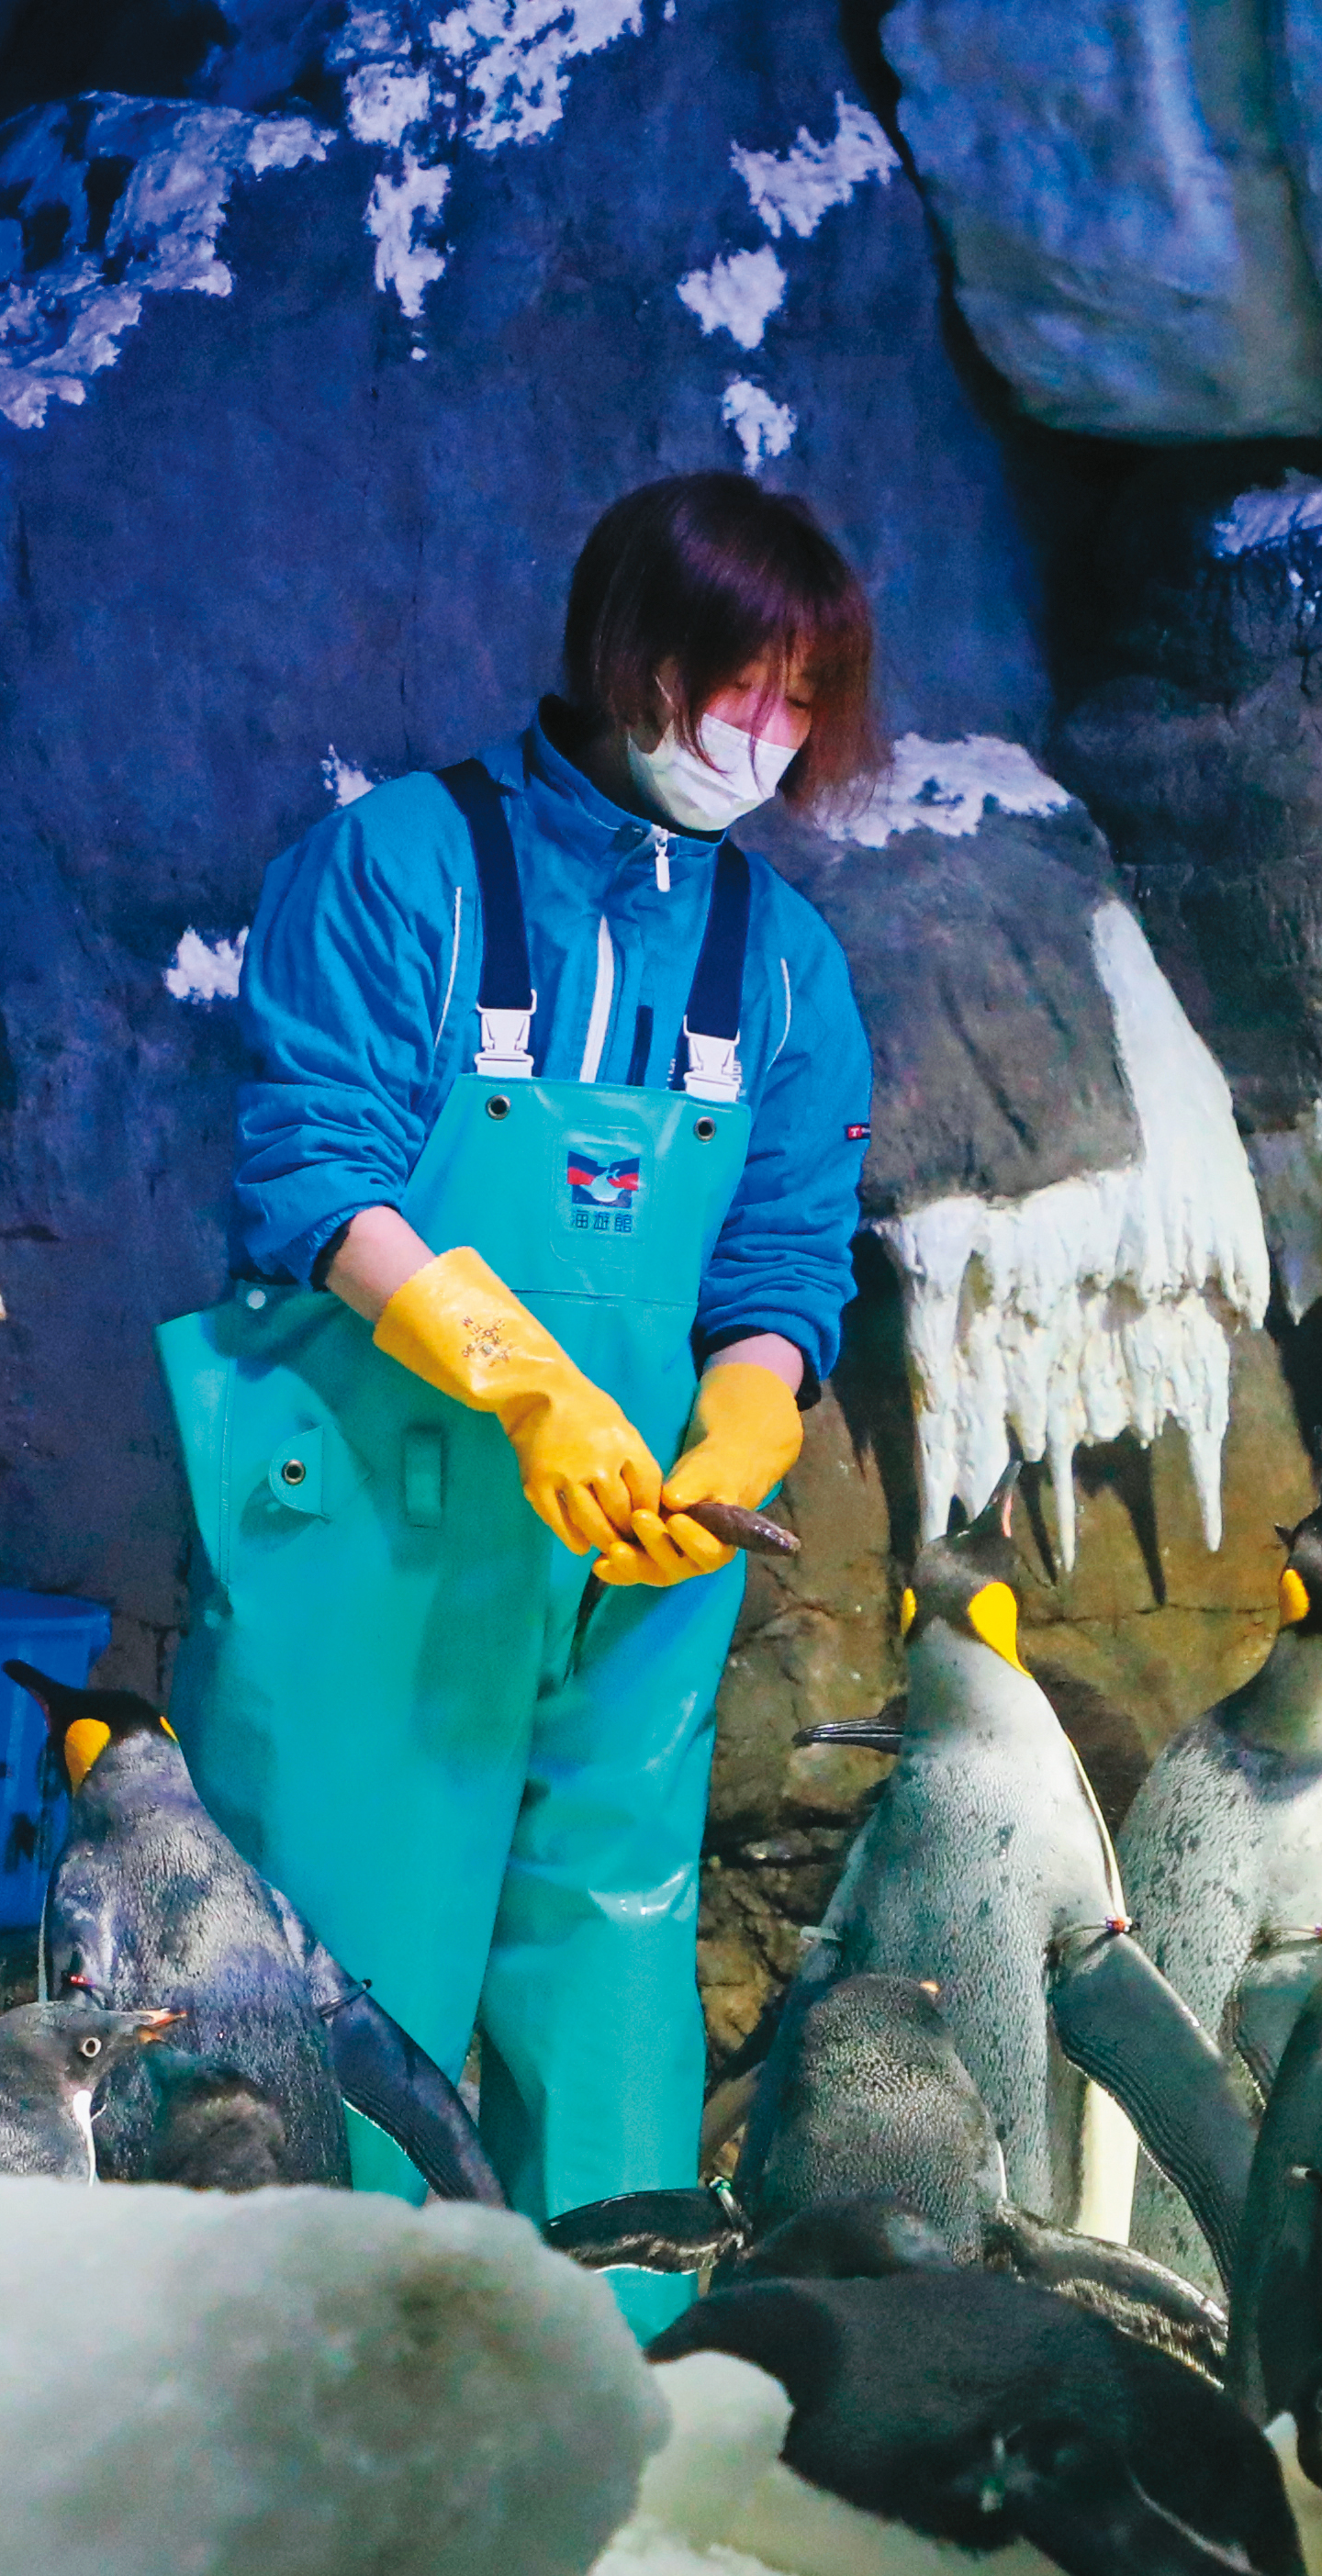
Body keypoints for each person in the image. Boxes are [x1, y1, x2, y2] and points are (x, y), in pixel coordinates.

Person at [159, 473, 876, 2266]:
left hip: (638, 1551)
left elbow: (787, 1258)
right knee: (343, 1995)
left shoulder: (782, 965)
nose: (765, 736)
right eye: (739, 683)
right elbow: (316, 1172)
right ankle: (304, 2417)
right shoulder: (398, 863)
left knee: (615, 1975)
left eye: (801, 703)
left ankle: (613, 2419)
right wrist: (524, 1382)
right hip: (383, 1539)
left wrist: (746, 1418)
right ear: (635, 648)